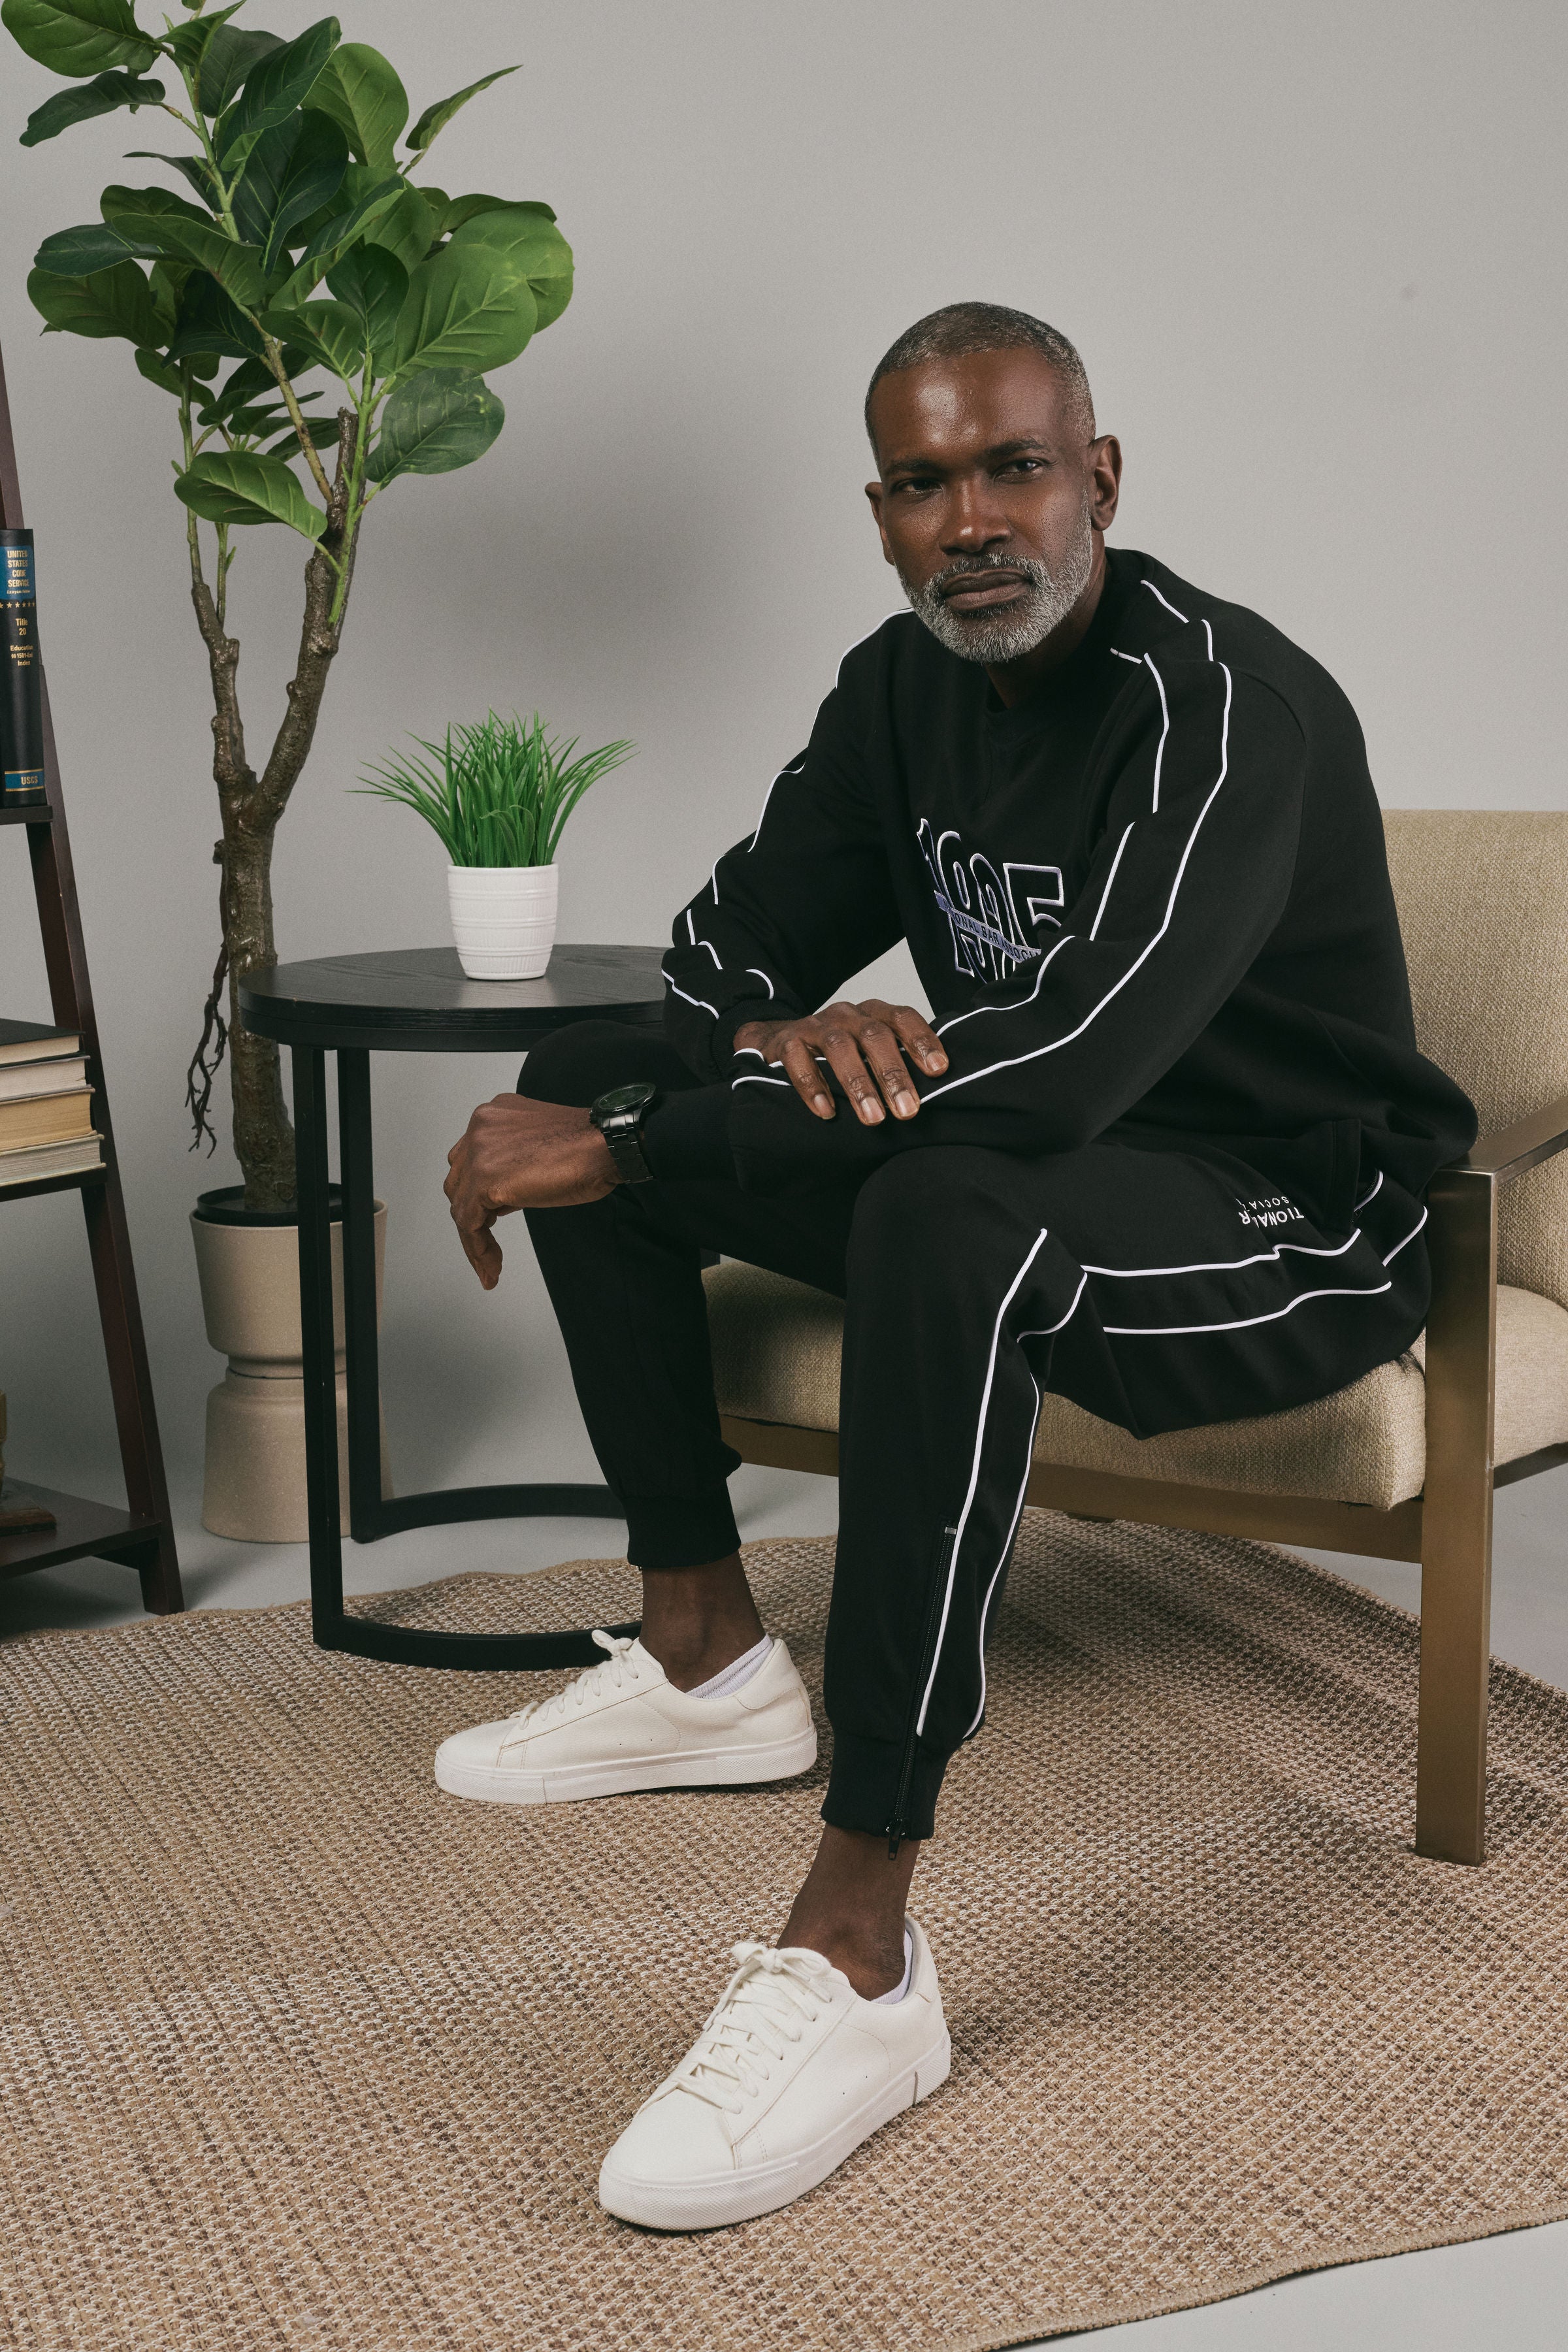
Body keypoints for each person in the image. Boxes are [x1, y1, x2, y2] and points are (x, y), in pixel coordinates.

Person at [438, 302, 1476, 2232]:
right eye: (925, 484)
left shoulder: (1224, 704)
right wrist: (739, 1056)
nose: (972, 519)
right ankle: (706, 1654)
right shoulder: (898, 695)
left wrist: (669, 1128)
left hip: (1295, 1222)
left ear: (1099, 477)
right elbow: (705, 977)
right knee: (584, 1065)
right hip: (1042, 1172)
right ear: (883, 512)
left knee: (918, 1201)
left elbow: (1078, 1061)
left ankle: (859, 1950)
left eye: (1012, 466)